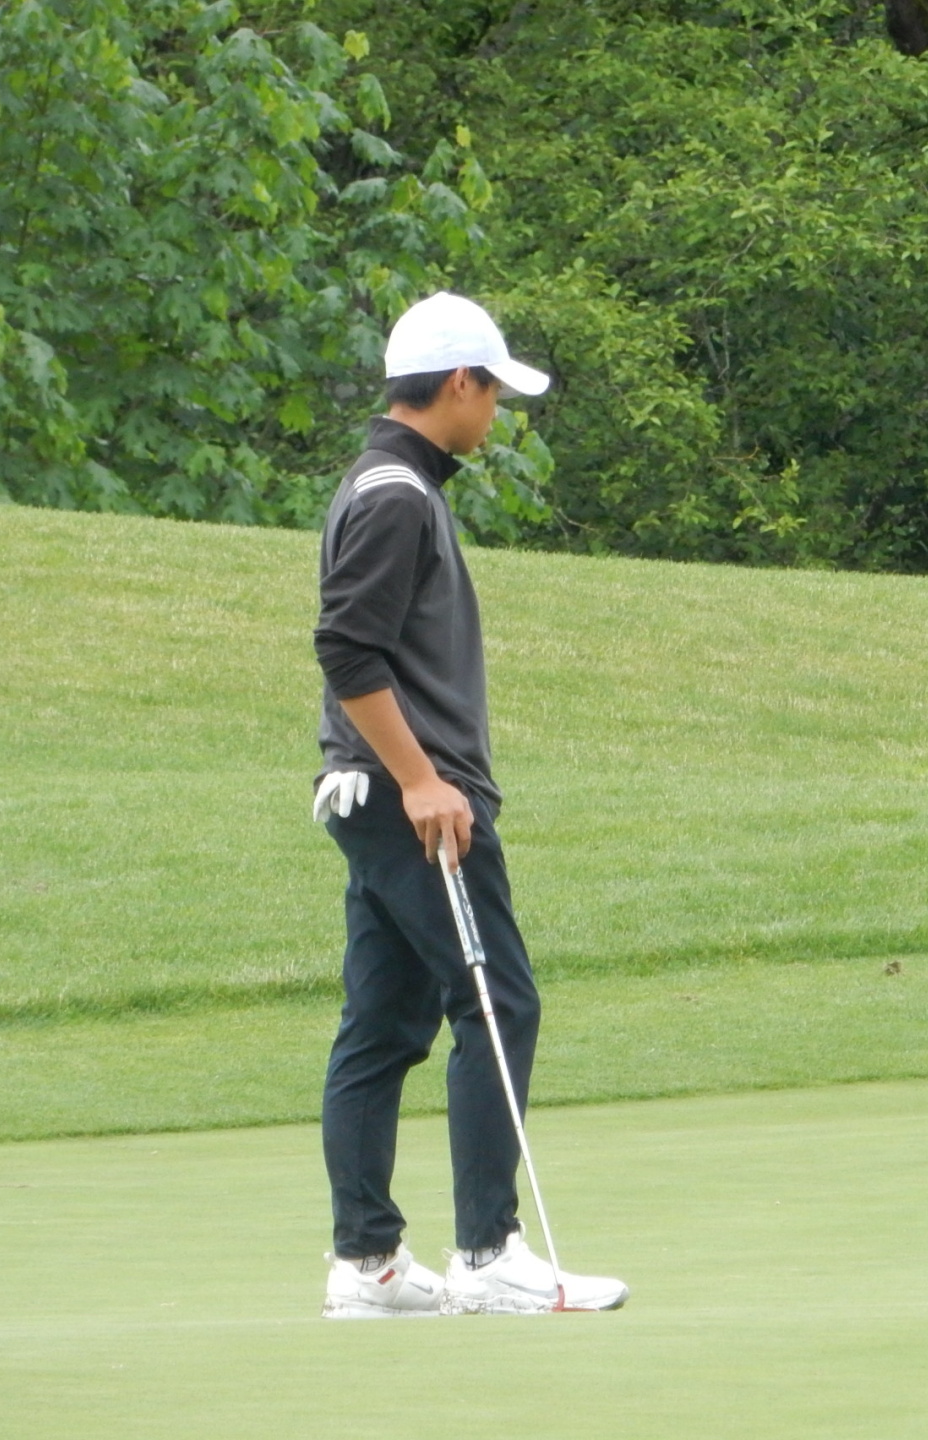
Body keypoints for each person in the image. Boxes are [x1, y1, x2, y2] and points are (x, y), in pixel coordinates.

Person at [310, 292, 628, 1318]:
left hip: (377, 792)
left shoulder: (382, 482)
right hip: (415, 799)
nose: (495, 414)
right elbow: (346, 650)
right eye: (492, 393)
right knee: (498, 1003)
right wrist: (421, 779)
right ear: (458, 383)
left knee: (385, 1023)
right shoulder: (398, 495)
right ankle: (488, 1255)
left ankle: (369, 1265)